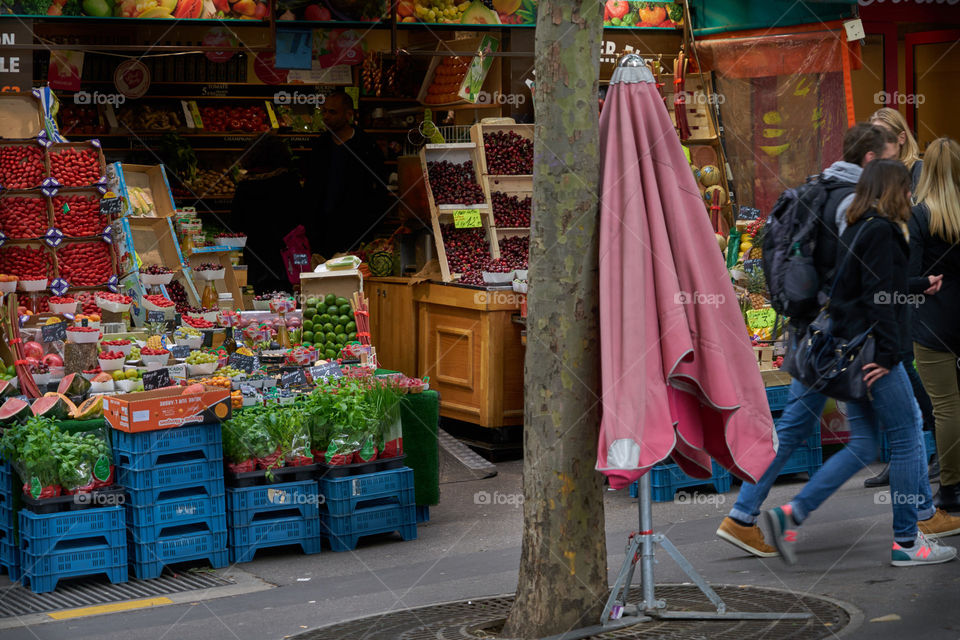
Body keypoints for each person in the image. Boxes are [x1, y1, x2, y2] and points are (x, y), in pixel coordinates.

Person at [765, 159, 960, 566]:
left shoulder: (857, 227)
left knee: (865, 443)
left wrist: (918, 284)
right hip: (875, 355)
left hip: (850, 352)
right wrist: (890, 355)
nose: (911, 196)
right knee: (908, 437)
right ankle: (907, 541)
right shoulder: (884, 232)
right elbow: (880, 298)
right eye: (906, 188)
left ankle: (792, 514)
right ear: (893, 191)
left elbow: (867, 288)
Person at [716, 123, 892, 557]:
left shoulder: (818, 187)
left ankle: (746, 515)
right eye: (888, 159)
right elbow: (857, 278)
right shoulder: (853, 201)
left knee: (797, 428)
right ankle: (757, 515)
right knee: (869, 437)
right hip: (838, 338)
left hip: (809, 332)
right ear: (870, 160)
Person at [854, 113, 936, 488]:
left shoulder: (913, 175)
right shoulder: (876, 187)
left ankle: (925, 459)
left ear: (901, 138)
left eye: (881, 140)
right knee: (903, 383)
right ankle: (912, 460)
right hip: (897, 296)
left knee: (912, 382)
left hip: (908, 295)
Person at [909, 138, 960, 511]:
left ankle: (952, 488)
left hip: (932, 323)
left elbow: (907, 276)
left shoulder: (920, 215)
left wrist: (924, 283)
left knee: (945, 407)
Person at [307, 91, 391, 259]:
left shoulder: (367, 146)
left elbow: (380, 189)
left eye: (332, 112)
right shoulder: (319, 146)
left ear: (348, 115)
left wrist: (371, 224)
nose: (326, 116)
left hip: (357, 230)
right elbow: (311, 188)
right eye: (324, 111)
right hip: (322, 231)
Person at [230, 134, 304, 294]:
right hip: (290, 255)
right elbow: (301, 216)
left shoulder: (245, 187)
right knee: (292, 302)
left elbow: (235, 223)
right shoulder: (289, 181)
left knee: (264, 301)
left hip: (258, 257)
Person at [871, 107, 923, 189]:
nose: (877, 142)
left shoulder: (919, 170)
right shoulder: (871, 172)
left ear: (901, 138)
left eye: (884, 135)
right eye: (874, 136)